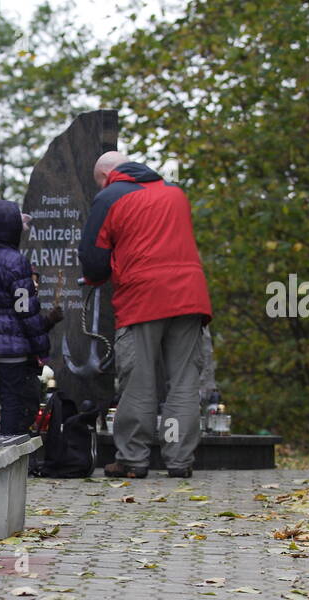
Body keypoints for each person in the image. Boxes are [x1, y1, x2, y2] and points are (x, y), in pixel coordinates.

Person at [78, 151, 212, 478]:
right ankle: (179, 461)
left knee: (138, 382)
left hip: (142, 298)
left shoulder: (110, 196)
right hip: (189, 297)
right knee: (183, 382)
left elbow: (93, 258)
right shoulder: (174, 193)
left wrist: (96, 278)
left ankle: (133, 460)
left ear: (108, 174)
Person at [0, 200, 63, 435]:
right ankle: (6, 448)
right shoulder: (16, 261)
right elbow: (25, 309)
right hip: (13, 349)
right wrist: (41, 348)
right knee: (11, 400)